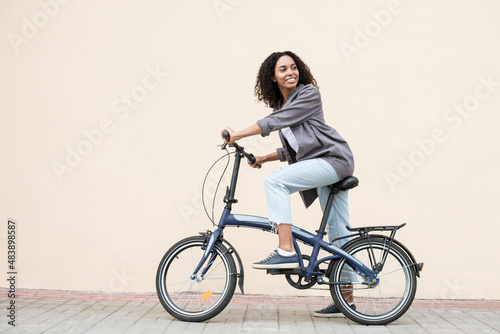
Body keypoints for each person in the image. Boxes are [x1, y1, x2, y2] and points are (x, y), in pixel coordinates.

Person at [222, 51, 355, 317]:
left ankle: (286, 249)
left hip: (332, 161)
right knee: (338, 231)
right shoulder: (283, 108)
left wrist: (236, 133)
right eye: (283, 69)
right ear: (273, 76)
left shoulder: (308, 94)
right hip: (324, 164)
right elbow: (291, 150)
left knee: (275, 182)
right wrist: (263, 157)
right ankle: (347, 300)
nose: (290, 72)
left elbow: (272, 123)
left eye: (293, 67)